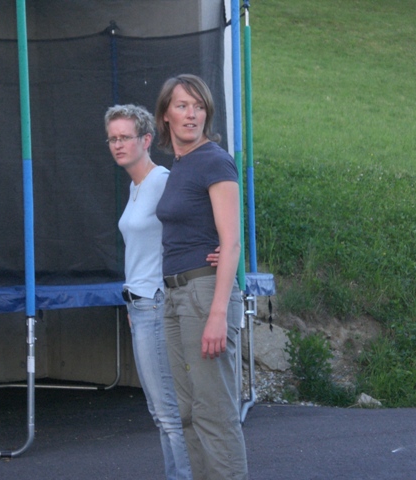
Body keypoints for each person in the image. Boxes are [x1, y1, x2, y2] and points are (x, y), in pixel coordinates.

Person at [155, 74, 248, 480]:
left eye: (199, 106)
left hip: (204, 294)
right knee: (189, 412)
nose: (191, 114)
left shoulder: (213, 160)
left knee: (214, 412)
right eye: (182, 106)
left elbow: (231, 243)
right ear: (165, 115)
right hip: (176, 296)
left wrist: (217, 313)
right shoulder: (179, 165)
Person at [104, 104, 192, 480]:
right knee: (160, 412)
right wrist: (131, 302)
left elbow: (196, 221)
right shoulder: (136, 186)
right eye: (112, 138)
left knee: (168, 413)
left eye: (125, 137)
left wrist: (220, 249)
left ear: (146, 140)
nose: (117, 144)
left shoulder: (161, 181)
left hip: (156, 304)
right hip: (139, 306)